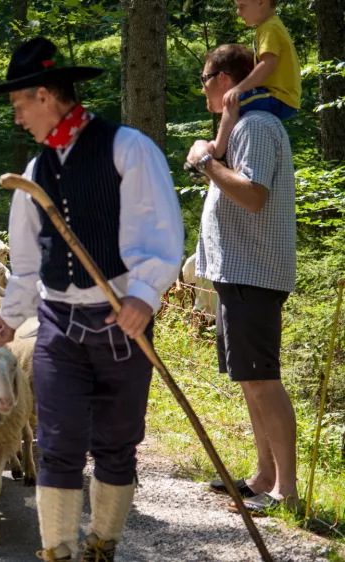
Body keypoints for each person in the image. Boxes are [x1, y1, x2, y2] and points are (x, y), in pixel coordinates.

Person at [0, 37, 184, 561]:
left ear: (45, 96)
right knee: (57, 442)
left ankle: (101, 544)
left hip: (121, 322)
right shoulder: (35, 173)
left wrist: (143, 296)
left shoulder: (128, 149)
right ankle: (58, 551)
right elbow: (27, 261)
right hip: (59, 325)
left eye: (19, 104)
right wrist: (10, 316)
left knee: (116, 442)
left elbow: (161, 234)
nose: (17, 118)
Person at [186, 43, 299, 516]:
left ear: (225, 79)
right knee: (250, 379)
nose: (203, 90)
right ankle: (263, 477)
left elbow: (253, 195)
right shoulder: (241, 125)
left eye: (205, 79)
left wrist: (205, 163)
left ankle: (286, 491)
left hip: (255, 273)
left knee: (263, 379)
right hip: (237, 274)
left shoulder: (257, 126)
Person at [210, 0, 300, 162]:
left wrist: (239, 89)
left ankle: (217, 152)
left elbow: (268, 64)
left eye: (242, 6)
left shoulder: (269, 28)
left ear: (261, 2)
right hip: (279, 96)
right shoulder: (269, 26)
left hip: (278, 96)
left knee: (232, 102)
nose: (238, 12)